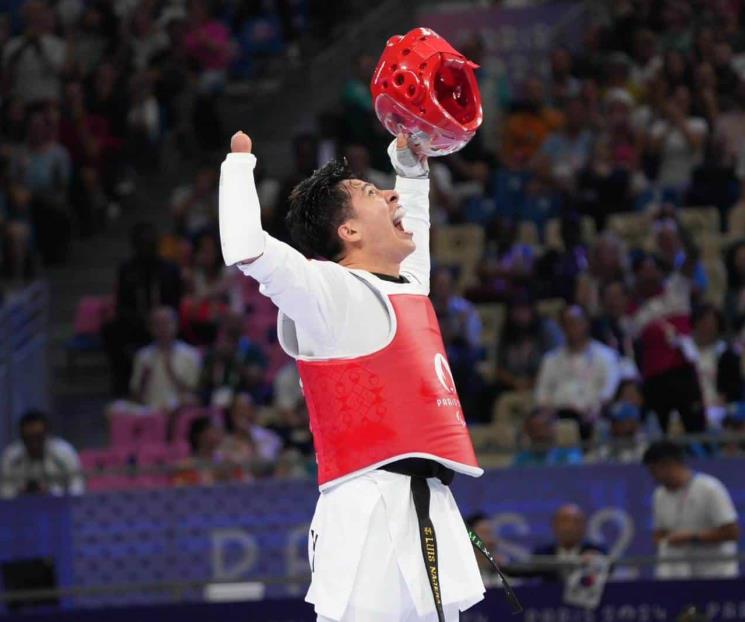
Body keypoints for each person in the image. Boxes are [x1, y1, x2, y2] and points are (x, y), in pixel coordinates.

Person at [220, 131, 487, 621]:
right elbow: (246, 248)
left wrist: (410, 170)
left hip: (425, 504)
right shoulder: (327, 294)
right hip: (366, 510)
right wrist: (238, 168)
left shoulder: (406, 288)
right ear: (349, 232)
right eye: (372, 193)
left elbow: (417, 228)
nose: (390, 196)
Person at [643, 440, 739, 579]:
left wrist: (692, 537)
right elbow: (659, 533)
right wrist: (665, 541)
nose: (652, 476)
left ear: (668, 464)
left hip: (716, 574)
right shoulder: (659, 495)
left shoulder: (709, 488)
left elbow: (732, 533)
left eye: (654, 470)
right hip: (681, 576)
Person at [535, 305, 621, 438]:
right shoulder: (550, 359)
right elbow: (542, 393)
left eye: (576, 322)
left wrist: (594, 411)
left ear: (586, 323)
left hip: (590, 416)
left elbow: (608, 392)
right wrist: (548, 412)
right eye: (567, 323)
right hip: (557, 417)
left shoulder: (606, 356)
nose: (572, 328)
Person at [129, 306, 201, 410]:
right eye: (157, 324)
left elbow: (194, 393)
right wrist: (143, 380)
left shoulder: (190, 354)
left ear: (176, 325)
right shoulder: (143, 356)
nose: (162, 328)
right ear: (150, 328)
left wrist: (171, 371)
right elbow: (135, 395)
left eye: (167, 323)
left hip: (178, 410)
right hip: (149, 410)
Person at [1, 410, 84, 498]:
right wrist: (21, 493)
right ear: (21, 437)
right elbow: (4, 491)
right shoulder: (11, 456)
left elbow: (77, 485)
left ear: (47, 434)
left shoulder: (64, 452)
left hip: (60, 506)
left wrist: (52, 493)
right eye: (28, 439)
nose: (34, 443)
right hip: (20, 508)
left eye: (38, 437)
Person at [530, 504, 607, 582]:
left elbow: (610, 568)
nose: (569, 527)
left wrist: (598, 562)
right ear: (554, 525)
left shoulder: (597, 551)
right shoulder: (542, 553)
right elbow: (526, 573)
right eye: (564, 521)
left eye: (576, 521)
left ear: (584, 526)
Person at [513, 408, 583, 467]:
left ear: (553, 429)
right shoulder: (521, 459)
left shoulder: (570, 454)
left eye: (545, 427)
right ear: (528, 431)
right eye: (535, 429)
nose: (541, 433)